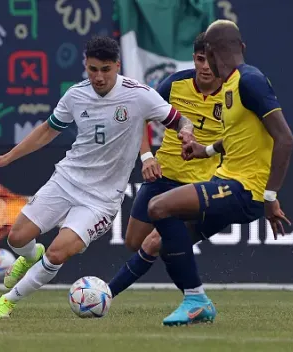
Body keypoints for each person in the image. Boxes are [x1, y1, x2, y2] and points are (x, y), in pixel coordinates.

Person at [0, 36, 195, 318]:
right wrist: (8, 157)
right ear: (86, 65)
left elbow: (179, 119)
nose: (98, 77)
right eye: (93, 69)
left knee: (58, 253)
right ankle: (30, 255)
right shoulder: (75, 95)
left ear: (117, 66)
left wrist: (186, 131)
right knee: (17, 238)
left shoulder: (139, 94)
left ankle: (7, 301)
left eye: (105, 69)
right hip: (67, 180)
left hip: (101, 200)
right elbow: (47, 131)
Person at [146, 19, 293, 326]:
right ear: (241, 47)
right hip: (226, 179)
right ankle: (195, 300)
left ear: (211, 54)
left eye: (205, 57)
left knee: (158, 207)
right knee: (167, 243)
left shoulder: (250, 80)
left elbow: (285, 139)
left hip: (244, 190)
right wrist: (205, 151)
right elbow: (239, 137)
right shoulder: (231, 85)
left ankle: (196, 299)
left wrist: (270, 197)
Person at [108, 33, 223, 306]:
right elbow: (139, 118)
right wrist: (147, 157)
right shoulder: (176, 84)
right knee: (135, 241)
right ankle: (178, 258)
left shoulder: (234, 93)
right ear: (194, 59)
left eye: (212, 60)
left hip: (198, 187)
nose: (206, 66)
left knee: (155, 242)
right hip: (162, 174)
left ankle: (105, 296)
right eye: (200, 59)